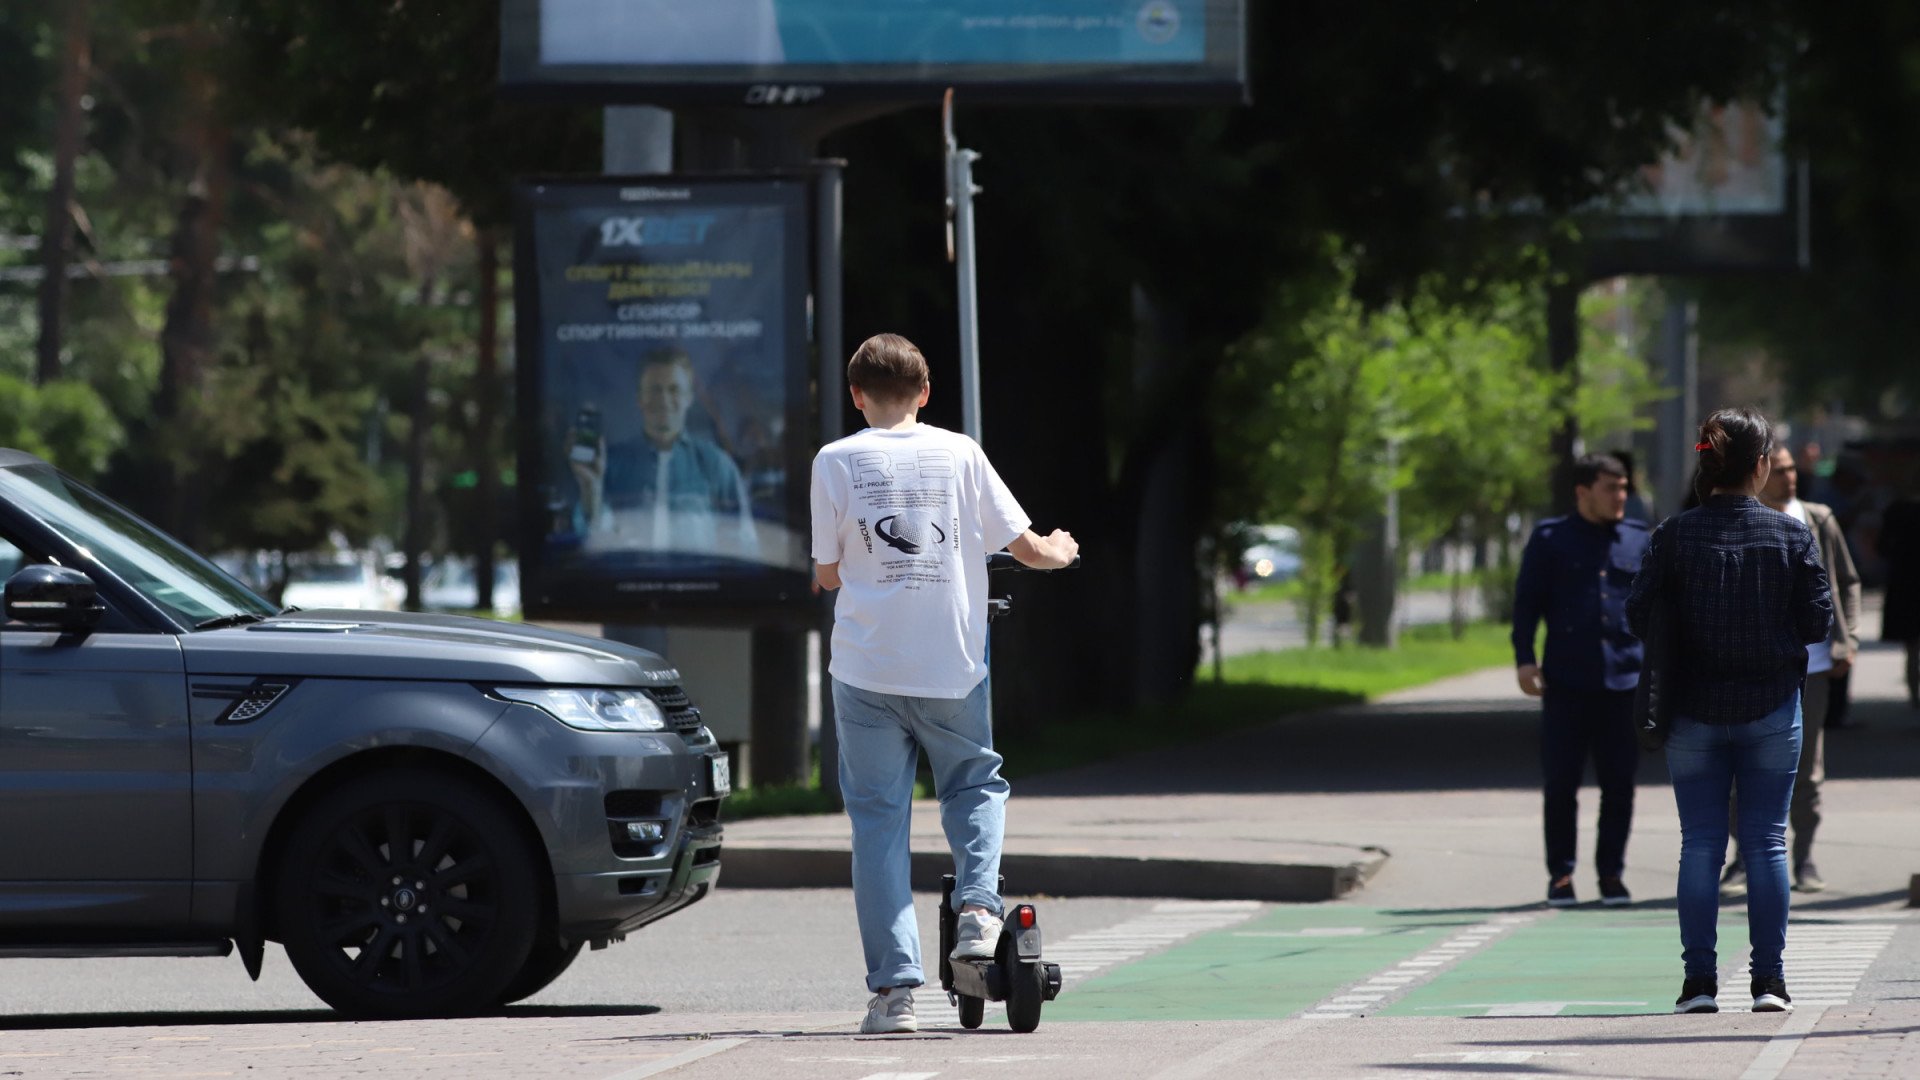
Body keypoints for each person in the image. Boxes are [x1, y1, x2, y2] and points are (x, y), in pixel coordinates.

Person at [810, 333, 1078, 1035]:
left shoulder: (834, 461)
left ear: (856, 395)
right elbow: (1028, 547)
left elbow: (829, 572)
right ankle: (981, 911)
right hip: (950, 663)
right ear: (925, 393)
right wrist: (1059, 549)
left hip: (864, 670)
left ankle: (894, 996)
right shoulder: (960, 452)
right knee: (972, 785)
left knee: (877, 825)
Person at [1627, 407, 1831, 1016]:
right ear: (1762, 466)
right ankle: (1769, 981)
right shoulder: (1791, 535)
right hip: (1772, 705)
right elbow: (1819, 620)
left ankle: (1698, 984)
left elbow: (1639, 614)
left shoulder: (1672, 534)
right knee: (1768, 842)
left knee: (1701, 844)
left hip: (1692, 711)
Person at [1720, 444, 1860, 897]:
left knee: (1807, 767)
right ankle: (1743, 857)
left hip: (1813, 667)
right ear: (1759, 474)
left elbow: (1848, 581)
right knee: (1744, 763)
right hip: (1755, 668)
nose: (1789, 478)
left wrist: (1847, 637)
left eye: (1791, 470)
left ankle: (1804, 857)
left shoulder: (1817, 518)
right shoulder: (1740, 521)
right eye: (1779, 471)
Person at [1512, 453, 1650, 908]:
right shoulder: (1551, 539)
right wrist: (1525, 660)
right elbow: (1527, 604)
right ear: (1583, 491)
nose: (1620, 497)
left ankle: (1611, 872)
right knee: (1561, 783)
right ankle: (1561, 876)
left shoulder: (1637, 539)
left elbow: (1655, 610)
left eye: (1624, 487)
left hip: (1624, 682)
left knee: (1619, 785)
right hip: (1568, 681)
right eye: (1611, 488)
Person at [567, 348, 757, 555]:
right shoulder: (609, 464)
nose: (664, 400)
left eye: (674, 389)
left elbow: (742, 546)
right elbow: (591, 540)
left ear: (689, 398)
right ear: (640, 398)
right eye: (654, 389)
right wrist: (591, 488)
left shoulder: (717, 465)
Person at [1879, 481, 1920, 709]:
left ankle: (1915, 696)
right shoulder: (1899, 509)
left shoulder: (1897, 510)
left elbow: (1882, 546)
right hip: (1908, 584)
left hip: (1905, 584)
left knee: (1912, 647)